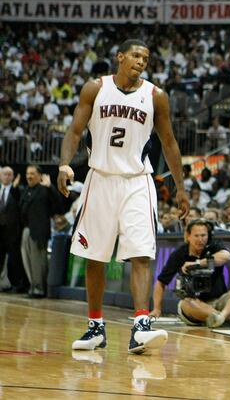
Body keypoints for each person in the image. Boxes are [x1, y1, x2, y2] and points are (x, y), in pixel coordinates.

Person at [57, 39, 190, 354]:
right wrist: (64, 164)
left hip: (136, 181)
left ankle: (141, 325)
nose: (141, 61)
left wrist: (181, 187)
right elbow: (75, 131)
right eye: (135, 55)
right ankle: (95, 327)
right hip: (100, 178)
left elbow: (169, 142)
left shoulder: (156, 96)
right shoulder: (95, 88)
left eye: (146, 57)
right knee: (94, 256)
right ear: (120, 57)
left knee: (141, 254)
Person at [150, 219, 230, 328]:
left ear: (208, 236)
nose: (200, 239)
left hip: (219, 301)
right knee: (185, 304)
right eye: (196, 236)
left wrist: (197, 264)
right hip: (196, 304)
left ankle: (221, 318)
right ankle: (228, 318)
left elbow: (226, 256)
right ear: (188, 236)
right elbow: (160, 282)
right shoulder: (179, 254)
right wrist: (156, 309)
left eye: (203, 235)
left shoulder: (213, 246)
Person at [20, 165, 63, 297]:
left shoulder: (45, 190)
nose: (29, 176)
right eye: (28, 174)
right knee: (27, 260)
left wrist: (50, 187)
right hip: (26, 230)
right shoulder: (26, 190)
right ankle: (33, 287)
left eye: (32, 174)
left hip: (39, 231)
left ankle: (40, 289)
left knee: (38, 261)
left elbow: (58, 204)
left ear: (40, 176)